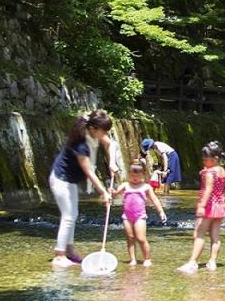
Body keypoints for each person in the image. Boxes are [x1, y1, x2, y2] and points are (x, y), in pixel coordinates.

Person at [49, 112, 114, 268]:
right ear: (93, 128)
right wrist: (104, 192)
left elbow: (111, 144)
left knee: (73, 214)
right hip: (60, 180)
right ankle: (59, 255)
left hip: (70, 181)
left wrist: (112, 163)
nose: (105, 134)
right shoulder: (81, 144)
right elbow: (89, 171)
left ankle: (69, 251)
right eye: (103, 131)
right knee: (68, 215)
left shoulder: (94, 133)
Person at [180, 141, 225, 273]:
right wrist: (219, 192)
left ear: (215, 158)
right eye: (203, 159)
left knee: (199, 234)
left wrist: (201, 206)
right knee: (215, 236)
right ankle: (212, 262)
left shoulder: (209, 172)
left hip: (209, 206)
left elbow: (208, 190)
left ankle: (193, 262)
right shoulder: (222, 171)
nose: (204, 161)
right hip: (220, 206)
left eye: (206, 159)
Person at [112, 162, 167, 266]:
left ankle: (147, 258)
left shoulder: (146, 187)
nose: (135, 178)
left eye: (138, 176)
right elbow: (115, 194)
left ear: (143, 174)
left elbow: (154, 200)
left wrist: (161, 212)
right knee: (130, 237)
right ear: (129, 174)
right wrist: (112, 192)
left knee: (141, 238)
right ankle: (132, 259)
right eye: (132, 175)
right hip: (127, 216)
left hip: (140, 216)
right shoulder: (125, 185)